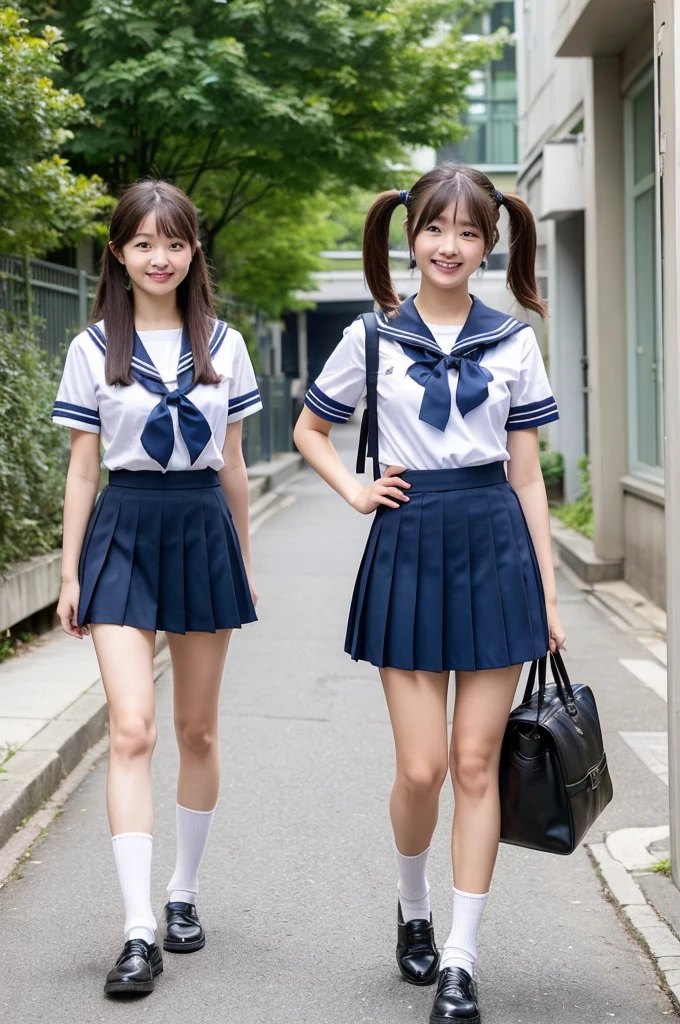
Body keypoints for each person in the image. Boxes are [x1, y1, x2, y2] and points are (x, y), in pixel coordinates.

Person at [293, 164, 566, 1024]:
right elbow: (310, 428)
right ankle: (412, 904)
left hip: (495, 548)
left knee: (478, 765)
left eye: (470, 233)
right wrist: (355, 489)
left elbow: (528, 480)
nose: (450, 247)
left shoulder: (514, 340)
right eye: (436, 229)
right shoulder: (370, 337)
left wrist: (550, 601)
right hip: (408, 545)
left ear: (490, 244)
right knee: (423, 767)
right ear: (410, 235)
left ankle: (459, 956)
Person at [52, 180, 261, 996]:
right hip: (124, 533)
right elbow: (81, 470)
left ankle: (183, 894)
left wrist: (242, 558)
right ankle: (138, 928)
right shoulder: (91, 347)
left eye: (173, 242)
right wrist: (70, 573)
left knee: (197, 731)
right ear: (119, 253)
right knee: (132, 729)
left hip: (202, 529)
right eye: (143, 243)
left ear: (192, 251)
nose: (159, 257)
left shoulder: (228, 345)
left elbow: (235, 465)